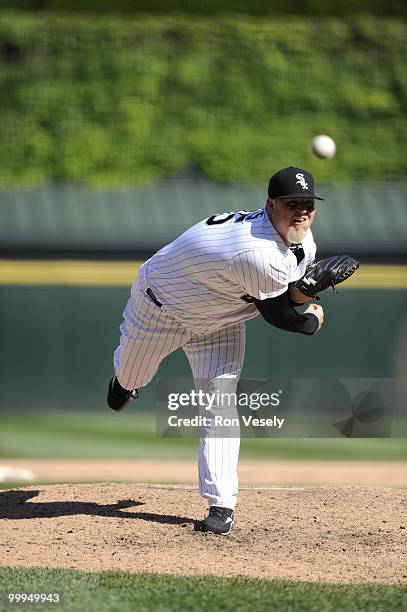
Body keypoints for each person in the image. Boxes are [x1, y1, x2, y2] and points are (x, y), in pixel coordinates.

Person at [107, 166, 325, 535]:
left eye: (308, 203)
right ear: (271, 204)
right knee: (129, 380)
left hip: (220, 319)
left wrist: (306, 288)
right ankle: (124, 381)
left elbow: (287, 292)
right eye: (292, 203)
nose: (302, 211)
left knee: (219, 403)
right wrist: (312, 319)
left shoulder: (300, 238)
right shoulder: (256, 250)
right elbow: (281, 315)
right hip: (161, 308)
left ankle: (221, 505)